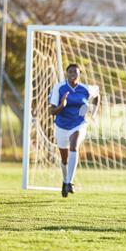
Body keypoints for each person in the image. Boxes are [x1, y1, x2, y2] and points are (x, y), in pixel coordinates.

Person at [49, 64, 100, 198]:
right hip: (61, 126)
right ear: (67, 73)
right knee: (64, 159)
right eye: (70, 71)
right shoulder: (59, 88)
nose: (73, 74)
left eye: (75, 72)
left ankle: (69, 183)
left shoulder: (85, 89)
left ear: (79, 74)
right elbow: (51, 111)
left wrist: (93, 114)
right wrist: (62, 105)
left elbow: (97, 96)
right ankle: (65, 181)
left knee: (74, 146)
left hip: (79, 124)